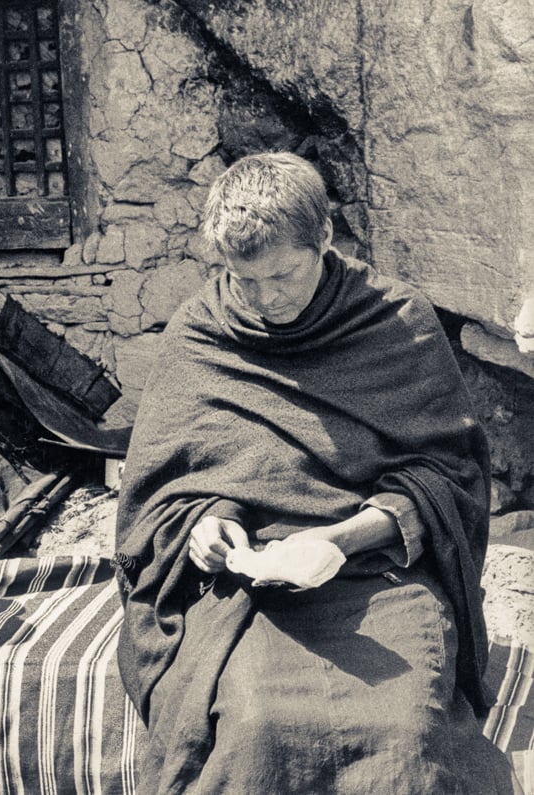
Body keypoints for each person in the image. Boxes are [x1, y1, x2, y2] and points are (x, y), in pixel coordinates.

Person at [114, 152, 519, 794]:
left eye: (283, 275)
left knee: (406, 732)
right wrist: (209, 528)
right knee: (252, 726)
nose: (265, 298)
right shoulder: (202, 332)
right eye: (243, 279)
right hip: (248, 592)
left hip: (380, 575)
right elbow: (166, 487)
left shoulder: (396, 322)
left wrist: (341, 538)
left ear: (323, 239)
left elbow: (451, 479)